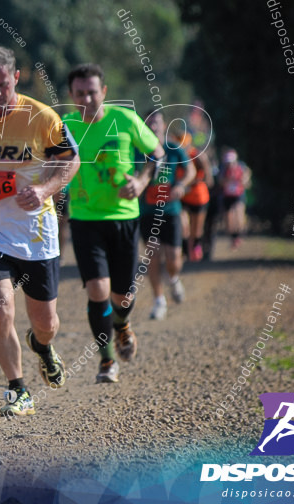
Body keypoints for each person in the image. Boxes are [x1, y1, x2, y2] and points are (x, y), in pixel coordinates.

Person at [0, 47, 79, 417]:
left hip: (35, 234)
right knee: (0, 311)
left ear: (16, 78)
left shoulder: (41, 117)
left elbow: (70, 160)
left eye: (3, 85)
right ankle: (18, 390)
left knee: (46, 323)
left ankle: (42, 347)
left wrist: (44, 191)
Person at [63, 64, 164, 383]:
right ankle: (107, 361)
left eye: (92, 92)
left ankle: (122, 324)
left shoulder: (124, 119)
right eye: (80, 93)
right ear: (71, 96)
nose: (86, 99)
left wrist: (142, 181)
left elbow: (157, 153)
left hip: (123, 218)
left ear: (103, 92)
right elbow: (46, 162)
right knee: (97, 290)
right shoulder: (63, 126)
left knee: (122, 297)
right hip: (84, 219)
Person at [140, 112, 196, 320]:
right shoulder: (139, 150)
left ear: (164, 124)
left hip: (170, 210)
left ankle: (173, 279)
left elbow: (190, 171)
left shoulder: (174, 148)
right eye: (149, 122)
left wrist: (181, 185)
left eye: (157, 121)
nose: (154, 125)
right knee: (152, 256)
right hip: (146, 212)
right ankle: (158, 301)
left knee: (173, 259)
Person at [180, 138, 214, 262]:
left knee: (196, 229)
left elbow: (208, 180)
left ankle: (194, 248)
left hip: (199, 198)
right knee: (183, 224)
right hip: (182, 197)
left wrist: (191, 183)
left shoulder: (197, 156)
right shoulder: (174, 156)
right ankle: (184, 250)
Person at [219, 148, 252, 247]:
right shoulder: (223, 169)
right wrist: (227, 180)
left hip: (238, 195)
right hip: (227, 196)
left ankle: (239, 235)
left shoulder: (241, 167)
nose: (229, 164)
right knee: (229, 221)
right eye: (228, 162)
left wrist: (244, 180)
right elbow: (221, 182)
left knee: (239, 214)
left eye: (231, 162)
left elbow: (247, 177)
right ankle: (233, 237)